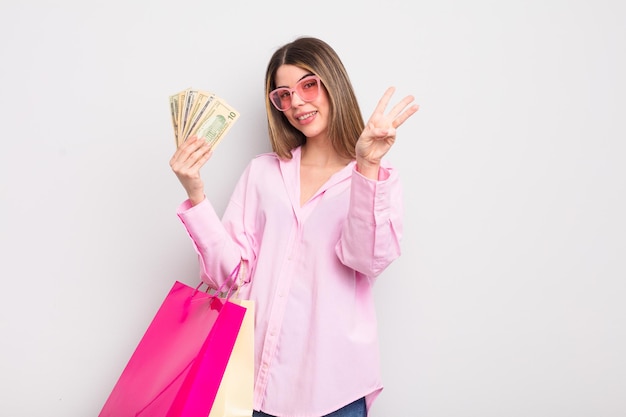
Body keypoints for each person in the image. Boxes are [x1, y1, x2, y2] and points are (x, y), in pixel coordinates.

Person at [170, 36, 418, 417]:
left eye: (308, 85)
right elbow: (229, 275)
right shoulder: (262, 172)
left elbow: (368, 259)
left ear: (332, 83)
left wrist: (367, 166)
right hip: (251, 386)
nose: (296, 102)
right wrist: (196, 192)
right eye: (283, 94)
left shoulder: (374, 178)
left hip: (334, 390)